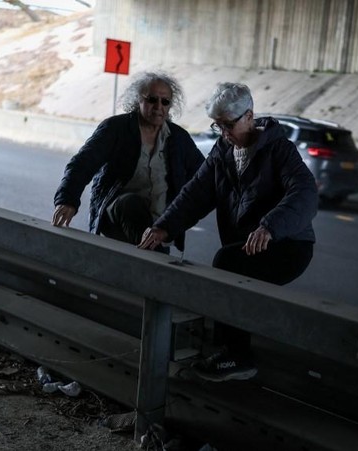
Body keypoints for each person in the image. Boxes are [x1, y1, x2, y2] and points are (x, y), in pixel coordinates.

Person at [138, 82, 318, 382]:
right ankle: (230, 351)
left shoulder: (279, 149)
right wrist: (163, 227)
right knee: (232, 268)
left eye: (229, 125)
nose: (223, 133)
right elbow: (197, 193)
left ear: (249, 116)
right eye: (218, 126)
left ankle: (237, 357)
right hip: (247, 246)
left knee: (227, 264)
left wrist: (270, 225)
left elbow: (305, 193)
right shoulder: (224, 151)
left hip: (289, 244)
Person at [52, 71, 205, 252]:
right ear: (138, 100)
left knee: (155, 246)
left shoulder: (179, 139)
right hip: (117, 212)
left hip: (158, 224)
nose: (158, 106)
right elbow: (82, 163)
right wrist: (67, 199)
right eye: (151, 100)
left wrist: (178, 218)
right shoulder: (116, 128)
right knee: (131, 204)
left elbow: (203, 177)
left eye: (165, 102)